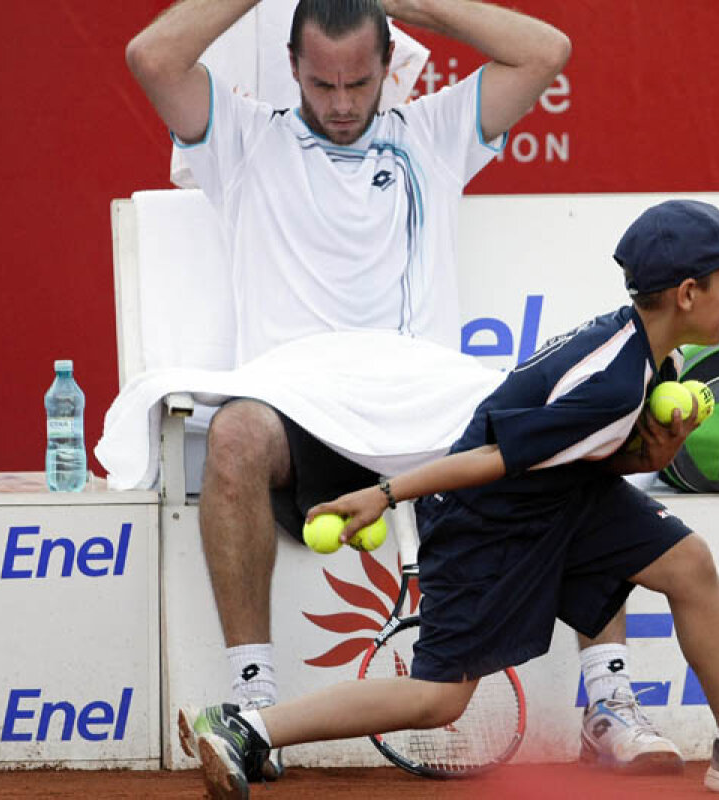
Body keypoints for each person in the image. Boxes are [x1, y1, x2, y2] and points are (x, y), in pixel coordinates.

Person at [125, 0, 681, 778]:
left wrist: (402, 4)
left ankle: (610, 701)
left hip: (430, 407)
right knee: (235, 433)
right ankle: (256, 704)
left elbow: (547, 50)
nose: (343, 103)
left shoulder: (434, 133)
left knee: (567, 430)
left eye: (359, 80)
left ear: (390, 65)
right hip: (302, 406)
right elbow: (152, 56)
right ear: (292, 68)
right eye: (322, 83)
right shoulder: (243, 140)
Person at [178, 199, 719, 797]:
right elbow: (491, 457)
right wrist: (384, 494)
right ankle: (251, 727)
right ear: (690, 292)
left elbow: (593, 455)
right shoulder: (612, 380)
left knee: (688, 563)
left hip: (565, 497)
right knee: (437, 699)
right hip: (491, 520)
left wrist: (653, 455)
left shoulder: (655, 355)